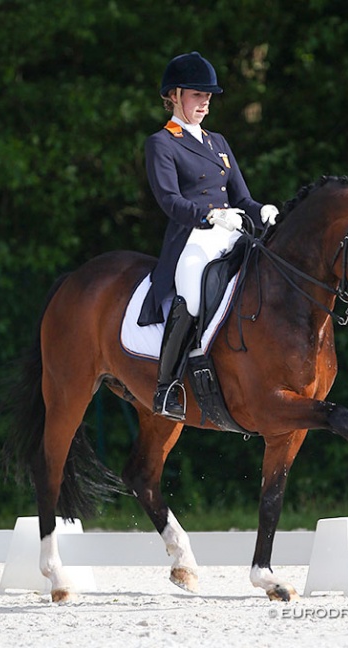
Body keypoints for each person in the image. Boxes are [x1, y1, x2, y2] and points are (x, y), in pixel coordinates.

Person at [138, 51, 279, 420]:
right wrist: (212, 214)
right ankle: (166, 387)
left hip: (232, 230)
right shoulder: (161, 143)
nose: (206, 103)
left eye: (208, 97)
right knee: (191, 291)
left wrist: (260, 209)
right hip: (192, 237)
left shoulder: (218, 141)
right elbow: (170, 201)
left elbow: (242, 197)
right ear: (175, 95)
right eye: (198, 96)